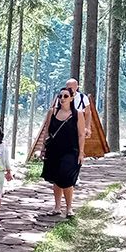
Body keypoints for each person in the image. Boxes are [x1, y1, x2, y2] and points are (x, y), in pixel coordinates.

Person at [41, 87, 86, 217]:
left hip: (71, 151)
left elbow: (81, 134)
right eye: (60, 96)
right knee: (56, 178)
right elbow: (47, 131)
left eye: (66, 96)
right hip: (54, 150)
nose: (62, 99)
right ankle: (57, 207)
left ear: (71, 98)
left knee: (67, 179)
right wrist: (43, 148)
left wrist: (81, 152)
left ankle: (69, 208)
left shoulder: (77, 114)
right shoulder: (52, 112)